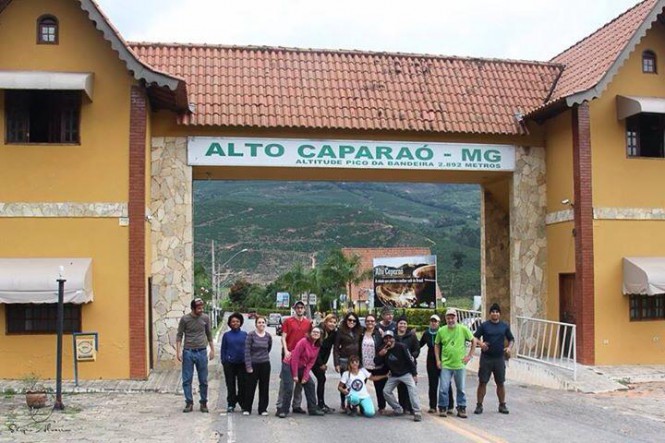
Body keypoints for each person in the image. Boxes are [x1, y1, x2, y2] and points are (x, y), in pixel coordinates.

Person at [473, 303, 515, 415]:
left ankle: (502, 405)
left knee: (500, 383)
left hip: (499, 358)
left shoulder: (504, 326)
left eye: (497, 312)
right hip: (486, 358)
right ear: (490, 313)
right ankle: (479, 405)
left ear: (499, 314)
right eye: (493, 312)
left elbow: (511, 339)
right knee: (482, 382)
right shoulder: (484, 326)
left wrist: (509, 348)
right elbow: (475, 337)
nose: (495, 313)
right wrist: (481, 344)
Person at [435, 308, 476, 418]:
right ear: (445, 319)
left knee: (461, 388)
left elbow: (473, 341)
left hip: (459, 364)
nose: (450, 320)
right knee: (443, 388)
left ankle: (461, 407)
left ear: (456, 318)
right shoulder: (441, 330)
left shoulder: (463, 329)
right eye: (448, 318)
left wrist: (469, 356)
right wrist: (438, 360)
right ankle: (443, 407)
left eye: (452, 318)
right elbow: (437, 345)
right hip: (446, 364)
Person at [176, 298, 214, 413]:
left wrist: (212, 350)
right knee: (187, 379)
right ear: (193, 308)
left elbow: (209, 334)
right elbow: (179, 335)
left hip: (202, 351)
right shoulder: (185, 319)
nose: (201, 310)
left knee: (203, 379)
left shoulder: (205, 318)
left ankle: (203, 402)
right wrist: (178, 351)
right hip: (188, 351)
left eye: (202, 308)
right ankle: (189, 402)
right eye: (199, 308)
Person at [277, 327, 326, 418]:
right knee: (289, 387)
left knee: (310, 384)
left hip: (302, 367)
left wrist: (305, 376)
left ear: (320, 335)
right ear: (310, 333)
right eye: (314, 331)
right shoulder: (303, 341)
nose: (315, 333)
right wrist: (295, 375)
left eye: (318, 332)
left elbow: (311, 362)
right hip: (289, 364)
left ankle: (312, 409)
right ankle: (283, 410)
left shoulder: (317, 346)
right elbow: (295, 358)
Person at [375, 331, 422, 422]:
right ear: (384, 340)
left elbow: (410, 360)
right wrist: (380, 355)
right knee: (386, 391)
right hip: (393, 375)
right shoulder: (383, 348)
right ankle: (398, 409)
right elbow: (376, 362)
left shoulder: (402, 346)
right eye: (386, 338)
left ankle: (417, 412)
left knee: (412, 389)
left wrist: (414, 374)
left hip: (406, 373)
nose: (388, 340)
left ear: (394, 338)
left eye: (390, 338)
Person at [275, 300, 312, 415]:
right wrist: (286, 351)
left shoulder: (308, 323)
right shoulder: (288, 321)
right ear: (295, 309)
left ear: (304, 309)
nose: (300, 309)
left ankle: (296, 405)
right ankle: (280, 405)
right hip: (289, 354)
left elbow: (309, 339)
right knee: (285, 381)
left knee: (299, 382)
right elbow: (283, 337)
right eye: (298, 307)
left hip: (301, 356)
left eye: (301, 307)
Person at [420, 314, 454, 414]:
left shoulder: (443, 332)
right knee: (432, 384)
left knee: (446, 383)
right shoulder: (426, 333)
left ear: (439, 323)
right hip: (431, 360)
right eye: (432, 321)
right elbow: (419, 345)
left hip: (444, 359)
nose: (433, 323)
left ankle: (450, 406)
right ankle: (432, 406)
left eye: (435, 321)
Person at [359, 313, 388, 414]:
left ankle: (382, 407)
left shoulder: (379, 333)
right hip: (363, 365)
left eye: (372, 321)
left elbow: (385, 343)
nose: (370, 323)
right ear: (365, 322)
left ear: (375, 322)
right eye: (368, 321)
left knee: (380, 388)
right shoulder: (361, 333)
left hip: (377, 365)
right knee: (361, 387)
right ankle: (361, 407)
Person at [244, 315, 272, 416]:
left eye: (263, 322)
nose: (261, 324)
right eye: (259, 322)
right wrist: (248, 366)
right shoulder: (251, 335)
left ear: (265, 324)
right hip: (253, 364)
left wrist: (263, 357)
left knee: (264, 387)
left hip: (265, 364)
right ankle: (247, 408)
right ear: (256, 324)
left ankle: (263, 409)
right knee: (250, 387)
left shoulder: (268, 336)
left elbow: (268, 348)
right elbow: (247, 351)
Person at [334, 312, 362, 410]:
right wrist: (336, 363)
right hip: (344, 360)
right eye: (350, 320)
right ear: (346, 320)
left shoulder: (359, 331)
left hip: (355, 361)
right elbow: (336, 348)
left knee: (355, 382)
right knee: (345, 382)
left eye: (354, 321)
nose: (352, 322)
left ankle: (353, 403)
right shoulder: (340, 331)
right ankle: (343, 403)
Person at [220, 312, 247, 413]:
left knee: (242, 384)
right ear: (230, 323)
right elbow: (223, 349)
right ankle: (231, 404)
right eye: (233, 322)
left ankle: (243, 403)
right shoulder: (226, 335)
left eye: (237, 321)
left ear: (240, 323)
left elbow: (248, 348)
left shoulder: (244, 334)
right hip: (229, 364)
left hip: (242, 363)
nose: (235, 323)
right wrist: (224, 361)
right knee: (230, 384)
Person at [313, 313, 338, 412]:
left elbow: (328, 350)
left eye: (334, 322)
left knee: (322, 379)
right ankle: (319, 404)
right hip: (313, 359)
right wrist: (320, 364)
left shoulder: (333, 333)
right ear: (326, 322)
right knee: (321, 379)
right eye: (330, 322)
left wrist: (324, 363)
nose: (332, 324)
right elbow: (316, 350)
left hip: (322, 360)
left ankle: (321, 403)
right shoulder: (319, 331)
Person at [394, 316, 419, 414]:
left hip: (410, 365)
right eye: (401, 323)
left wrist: (412, 356)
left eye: (404, 323)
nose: (402, 325)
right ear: (397, 324)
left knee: (411, 387)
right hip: (398, 366)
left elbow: (417, 349)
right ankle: (403, 406)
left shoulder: (412, 336)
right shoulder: (393, 336)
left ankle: (412, 407)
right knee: (401, 387)